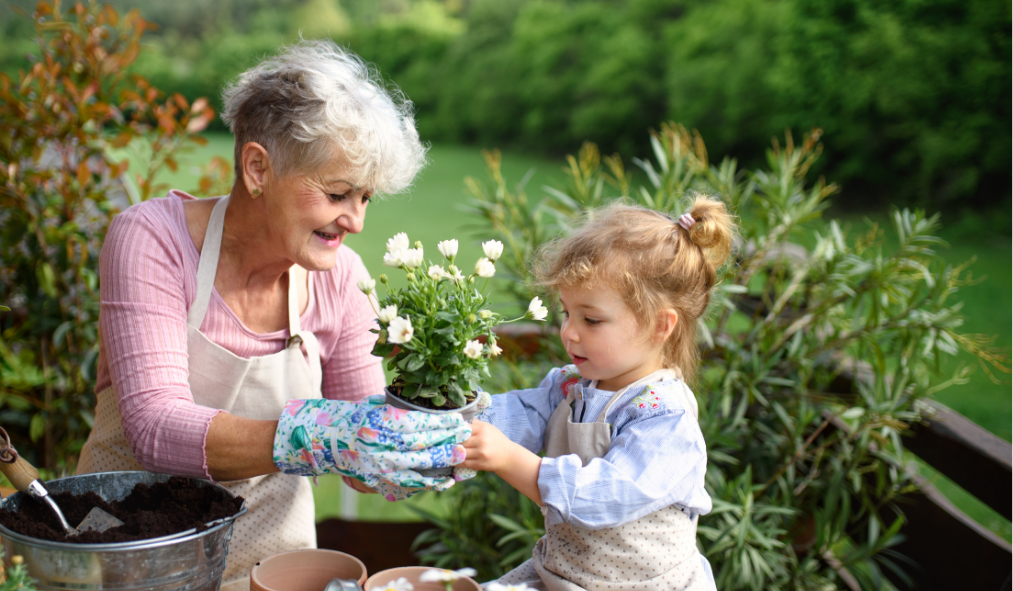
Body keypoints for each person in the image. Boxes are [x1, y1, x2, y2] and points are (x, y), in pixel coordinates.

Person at [77, 40, 470, 591]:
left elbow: (361, 455)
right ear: (258, 167)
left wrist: (418, 452)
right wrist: (317, 434)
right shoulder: (152, 241)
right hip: (126, 555)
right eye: (337, 193)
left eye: (366, 199)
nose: (354, 220)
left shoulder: (343, 277)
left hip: (270, 568)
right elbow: (154, 428)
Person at [462, 198, 735, 590]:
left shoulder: (665, 417)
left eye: (591, 319)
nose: (569, 332)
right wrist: (450, 417)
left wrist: (511, 460)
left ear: (661, 326)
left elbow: (606, 494)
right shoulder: (572, 387)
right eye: (566, 313)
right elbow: (519, 414)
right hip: (564, 576)